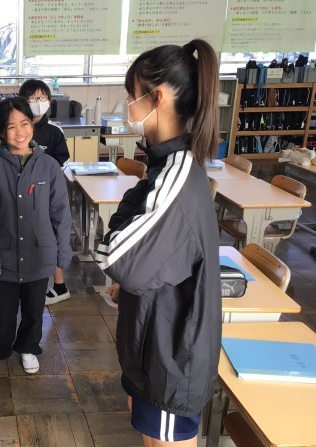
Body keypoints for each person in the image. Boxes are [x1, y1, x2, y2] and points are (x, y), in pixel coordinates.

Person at [95, 39, 222, 446]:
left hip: (171, 359)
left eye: (131, 95)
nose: (128, 106)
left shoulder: (177, 174)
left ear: (159, 97)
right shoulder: (165, 166)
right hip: (154, 342)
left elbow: (116, 255)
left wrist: (119, 255)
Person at [0, 97, 72, 376]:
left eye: (25, 124)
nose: (19, 132)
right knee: (1, 312)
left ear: (32, 125)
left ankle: (28, 347)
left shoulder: (49, 166)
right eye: (11, 126)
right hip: (2, 255)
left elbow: (61, 213)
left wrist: (63, 252)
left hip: (39, 253)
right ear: (1, 132)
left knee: (33, 311)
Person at [18, 79, 71, 306]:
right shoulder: (18, 128)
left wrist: (43, 173)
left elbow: (62, 159)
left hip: (47, 193)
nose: (37, 102)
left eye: (42, 98)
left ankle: (60, 285)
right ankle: (29, 282)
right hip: (22, 193)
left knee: (52, 235)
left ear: (49, 101)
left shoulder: (54, 131)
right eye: (32, 98)